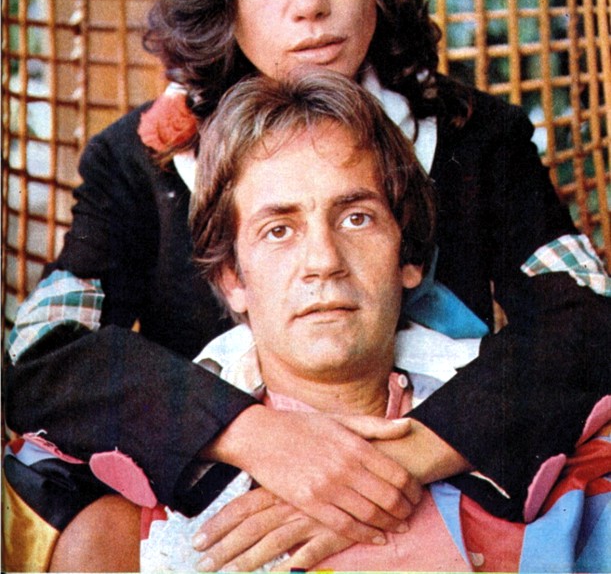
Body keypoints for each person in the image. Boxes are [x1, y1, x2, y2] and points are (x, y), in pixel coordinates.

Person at [4, 0, 610, 573]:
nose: (308, 3)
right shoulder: (142, 160)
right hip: (221, 508)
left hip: (437, 491)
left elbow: (587, 319)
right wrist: (258, 438)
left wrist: (396, 462)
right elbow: (46, 352)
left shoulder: (471, 136)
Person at [51, 71, 611, 572]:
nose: (323, 260)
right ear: (232, 277)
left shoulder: (560, 466)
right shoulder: (130, 529)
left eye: (357, 218)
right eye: (279, 230)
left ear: (409, 257)